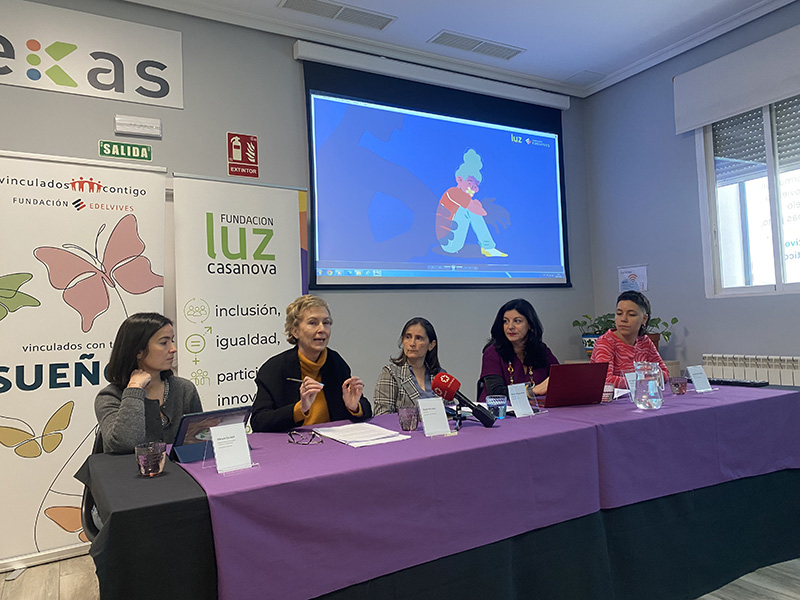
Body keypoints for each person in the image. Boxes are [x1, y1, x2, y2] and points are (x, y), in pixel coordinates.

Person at [250, 295, 372, 432]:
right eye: (313, 323)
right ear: (295, 331)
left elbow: (366, 408)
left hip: (333, 440)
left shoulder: (335, 362)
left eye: (326, 323)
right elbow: (258, 421)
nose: (322, 329)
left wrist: (353, 406)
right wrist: (299, 409)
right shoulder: (275, 368)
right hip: (294, 441)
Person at [95, 313, 202, 454]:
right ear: (138, 351)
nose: (173, 349)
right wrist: (134, 389)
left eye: (172, 341)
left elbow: (199, 442)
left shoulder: (184, 389)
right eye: (164, 343)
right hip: (129, 468)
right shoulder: (109, 396)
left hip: (178, 468)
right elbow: (125, 443)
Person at [479, 298, 558, 401]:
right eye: (505, 321)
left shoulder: (541, 350)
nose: (510, 327)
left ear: (530, 325)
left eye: (517, 321)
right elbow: (496, 392)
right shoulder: (492, 352)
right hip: (501, 409)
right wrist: (532, 391)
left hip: (538, 408)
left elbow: (559, 378)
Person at [436, 148, 507, 257]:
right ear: (459, 180)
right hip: (449, 243)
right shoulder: (454, 192)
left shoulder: (459, 197)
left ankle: (488, 247)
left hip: (452, 240)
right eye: (470, 183)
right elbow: (480, 212)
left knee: (469, 209)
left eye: (476, 186)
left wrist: (476, 206)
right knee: (469, 210)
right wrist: (476, 206)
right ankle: (488, 247)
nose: (473, 189)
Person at [591, 291, 669, 387]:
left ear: (644, 319)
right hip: (615, 397)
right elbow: (605, 380)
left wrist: (641, 380)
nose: (623, 319)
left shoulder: (644, 341)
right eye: (619, 313)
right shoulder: (605, 342)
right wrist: (644, 380)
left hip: (641, 394)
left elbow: (664, 373)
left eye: (631, 314)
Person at [373, 317, 445, 415]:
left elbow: (451, 411)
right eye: (408, 337)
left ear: (431, 345)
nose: (412, 343)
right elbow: (382, 415)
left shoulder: (440, 375)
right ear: (402, 341)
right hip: (404, 425)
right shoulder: (391, 373)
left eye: (418, 338)